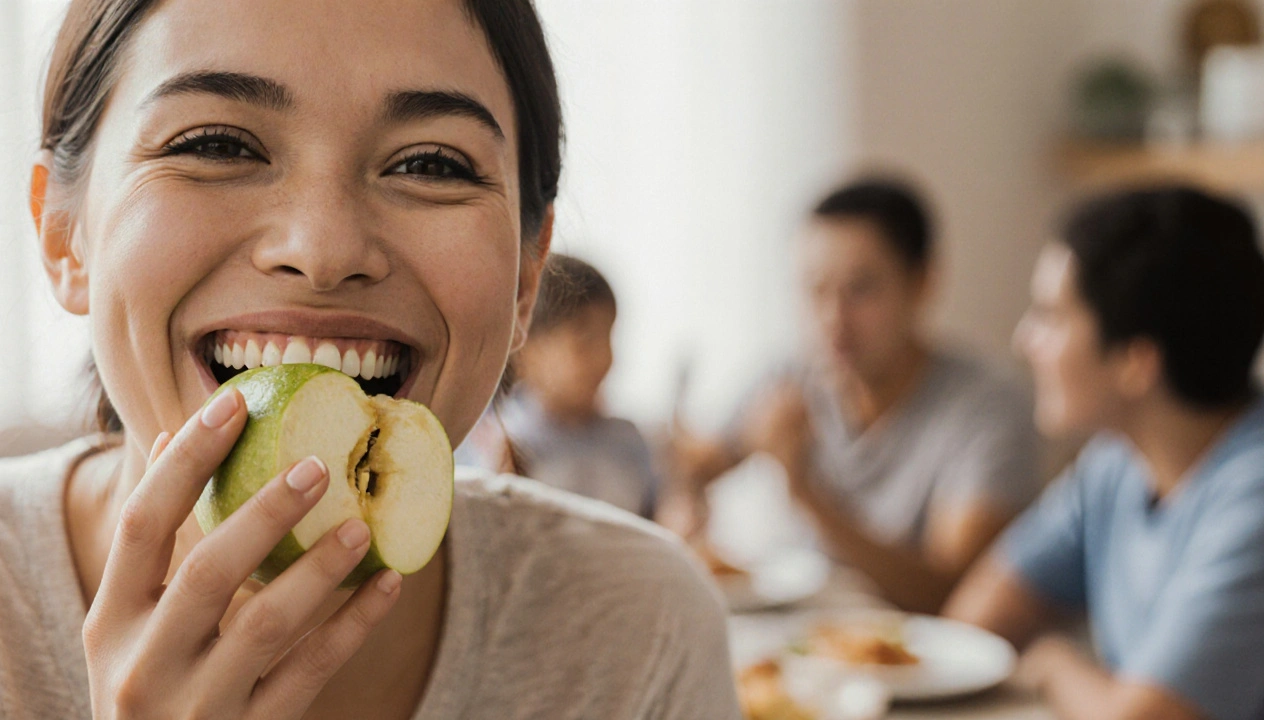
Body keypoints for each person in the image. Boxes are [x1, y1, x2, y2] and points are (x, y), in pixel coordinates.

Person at [0, 1, 741, 719]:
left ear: (526, 276)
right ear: (64, 235)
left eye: (430, 162)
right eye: (216, 145)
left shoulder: (641, 626)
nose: (324, 252)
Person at [945, 186, 1264, 720]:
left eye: (1051, 317)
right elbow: (972, 622)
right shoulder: (1117, 463)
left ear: (1136, 362)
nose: (1024, 339)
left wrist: (1055, 662)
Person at [673, 179, 1039, 614]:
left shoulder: (987, 408)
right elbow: (695, 466)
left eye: (861, 289)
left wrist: (805, 492)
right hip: (806, 643)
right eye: (815, 289)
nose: (833, 319)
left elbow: (950, 592)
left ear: (922, 283)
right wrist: (685, 498)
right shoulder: (791, 375)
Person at [460, 254, 661, 519]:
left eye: (608, 336)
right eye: (585, 342)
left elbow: (655, 526)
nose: (603, 357)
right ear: (526, 352)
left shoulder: (628, 441)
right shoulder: (505, 444)